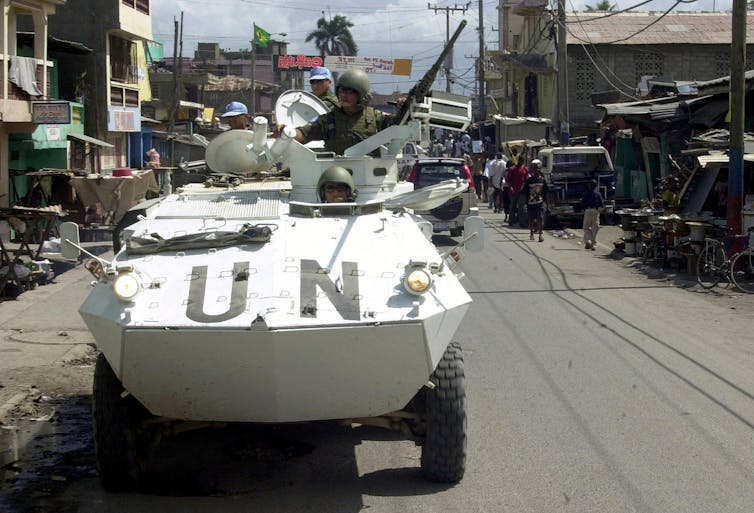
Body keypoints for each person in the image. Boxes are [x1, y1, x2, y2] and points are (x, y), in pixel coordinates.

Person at [276, 69, 393, 156]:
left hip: (369, 174)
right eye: (342, 90)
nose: (344, 95)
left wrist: (405, 106)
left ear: (361, 95)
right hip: (337, 176)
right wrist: (287, 131)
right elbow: (305, 133)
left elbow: (400, 124)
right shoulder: (329, 119)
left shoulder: (375, 117)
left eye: (350, 92)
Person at [522, 159, 547, 242]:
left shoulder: (543, 180)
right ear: (533, 170)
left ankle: (540, 235)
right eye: (536, 169)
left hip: (540, 203)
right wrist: (525, 203)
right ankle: (531, 233)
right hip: (531, 203)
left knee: (540, 218)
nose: (537, 170)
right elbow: (525, 192)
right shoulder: (529, 180)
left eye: (539, 169)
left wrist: (546, 202)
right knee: (531, 219)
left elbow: (545, 191)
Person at [581, 180, 604, 250]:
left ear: (589, 186)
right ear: (596, 186)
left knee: (586, 227)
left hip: (587, 211)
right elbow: (601, 204)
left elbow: (582, 204)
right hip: (595, 211)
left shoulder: (584, 194)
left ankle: (588, 241)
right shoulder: (598, 194)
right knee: (595, 228)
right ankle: (593, 244)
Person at [507, 159, 529, 227]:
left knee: (521, 207)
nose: (520, 163)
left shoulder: (525, 169)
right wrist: (511, 187)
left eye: (521, 162)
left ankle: (521, 222)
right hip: (513, 191)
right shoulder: (512, 169)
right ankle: (511, 220)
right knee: (512, 206)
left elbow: (526, 180)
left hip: (522, 191)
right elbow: (508, 180)